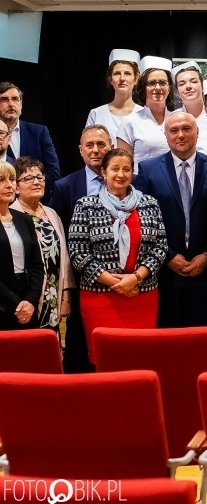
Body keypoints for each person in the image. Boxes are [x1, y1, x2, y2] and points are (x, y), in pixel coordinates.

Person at [68, 149, 167, 362]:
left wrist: (135, 278)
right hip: (100, 298)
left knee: (141, 358)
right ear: (104, 172)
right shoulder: (86, 205)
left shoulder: (150, 203)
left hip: (142, 295)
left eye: (126, 169)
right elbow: (78, 252)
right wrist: (117, 284)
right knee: (106, 359)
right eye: (115, 169)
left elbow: (160, 247)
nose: (121, 174)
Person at [134, 112, 207, 328]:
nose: (181, 135)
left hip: (206, 274)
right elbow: (142, 221)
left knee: (201, 341)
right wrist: (168, 255)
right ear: (166, 135)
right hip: (165, 275)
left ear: (197, 132)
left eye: (186, 129)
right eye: (174, 130)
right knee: (167, 343)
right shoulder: (148, 170)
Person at [50, 124, 113, 372]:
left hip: (122, 278)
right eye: (90, 145)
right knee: (79, 338)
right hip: (81, 278)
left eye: (101, 144)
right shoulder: (64, 186)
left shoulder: (129, 181)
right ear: (80, 150)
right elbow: (59, 234)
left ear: (111, 147)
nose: (95, 150)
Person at [11, 157, 74, 332]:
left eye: (39, 177)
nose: (36, 182)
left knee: (49, 343)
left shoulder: (52, 214)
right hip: (23, 297)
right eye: (28, 178)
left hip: (52, 294)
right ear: (16, 187)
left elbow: (65, 259)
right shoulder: (10, 215)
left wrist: (66, 297)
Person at [0, 82, 61, 202]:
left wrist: (31, 193)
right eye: (4, 99)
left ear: (21, 104)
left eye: (15, 99)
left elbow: (53, 172)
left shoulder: (39, 132)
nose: (11, 104)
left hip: (36, 201)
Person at [0, 161, 43, 330]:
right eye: (1, 180)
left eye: (12, 179)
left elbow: (37, 265)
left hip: (27, 303)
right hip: (4, 301)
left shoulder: (24, 219)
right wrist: (16, 304)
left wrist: (30, 301)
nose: (9, 185)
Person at [117, 56, 175, 173]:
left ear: (169, 88)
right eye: (151, 83)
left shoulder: (177, 119)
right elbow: (123, 166)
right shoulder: (130, 122)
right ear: (143, 88)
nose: (157, 87)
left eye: (162, 83)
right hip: (142, 182)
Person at [85, 49, 143, 143]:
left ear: (136, 79)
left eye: (127, 73)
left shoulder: (144, 114)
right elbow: (88, 145)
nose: (122, 78)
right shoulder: (96, 114)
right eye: (117, 73)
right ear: (110, 79)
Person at [172, 61, 207, 129]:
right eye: (182, 84)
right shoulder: (173, 118)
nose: (188, 86)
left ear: (203, 86)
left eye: (194, 81)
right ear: (177, 92)